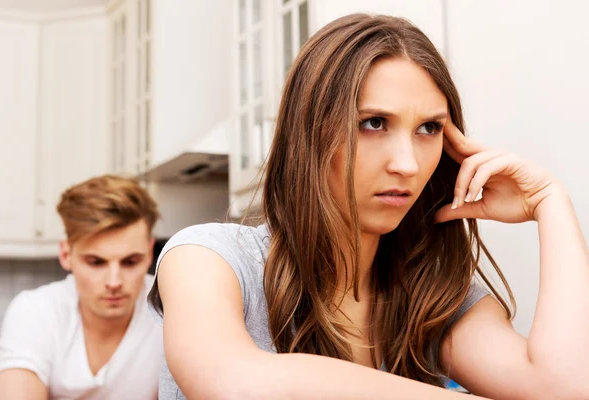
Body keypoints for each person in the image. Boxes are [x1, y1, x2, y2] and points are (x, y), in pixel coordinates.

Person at [148, 14, 589, 400]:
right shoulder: (209, 258)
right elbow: (233, 384)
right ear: (310, 133)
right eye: (373, 123)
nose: (407, 164)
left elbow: (563, 387)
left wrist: (550, 202)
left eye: (429, 128)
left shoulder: (434, 299)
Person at [0, 175, 164, 399]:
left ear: (150, 252)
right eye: (96, 262)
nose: (114, 282)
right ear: (66, 254)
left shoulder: (170, 309)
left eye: (130, 262)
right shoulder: (36, 310)